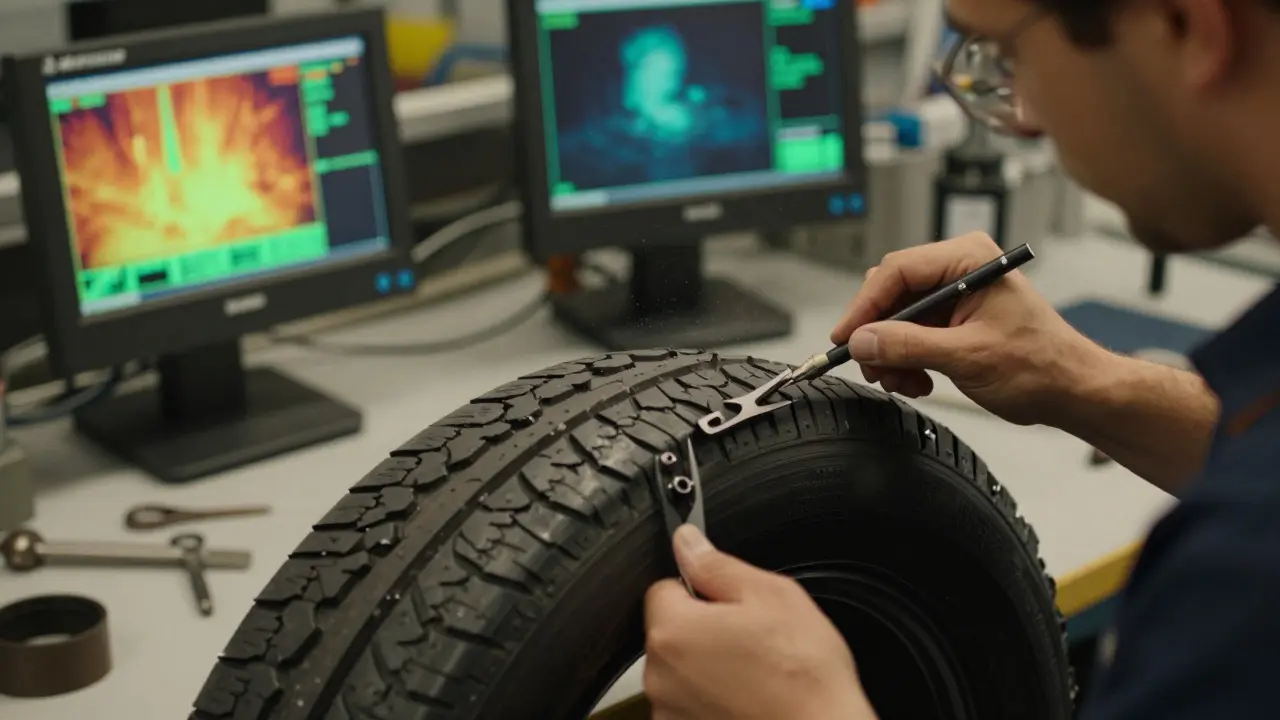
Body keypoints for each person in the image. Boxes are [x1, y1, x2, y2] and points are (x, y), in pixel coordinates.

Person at [642, 0, 1280, 717]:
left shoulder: (1242, 582)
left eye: (1008, 56)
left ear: (1186, 25)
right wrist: (1080, 381)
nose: (1025, 120)